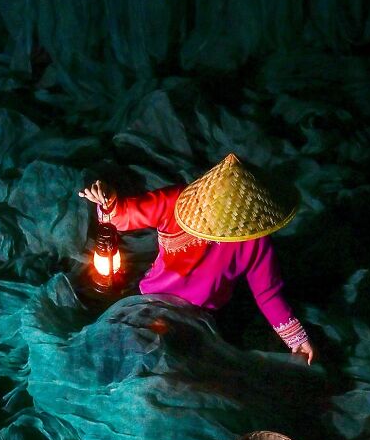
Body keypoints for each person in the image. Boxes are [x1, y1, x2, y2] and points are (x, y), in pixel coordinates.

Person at [79, 153, 315, 364]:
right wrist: (109, 201)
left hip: (202, 316)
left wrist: (296, 338)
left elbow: (267, 292)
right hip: (153, 300)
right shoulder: (175, 202)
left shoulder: (254, 239)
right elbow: (125, 215)